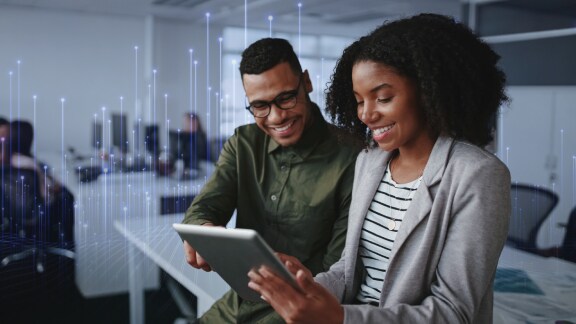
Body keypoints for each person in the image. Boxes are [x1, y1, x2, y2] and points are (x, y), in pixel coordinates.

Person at [248, 13, 511, 323]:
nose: (366, 115)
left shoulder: (477, 174)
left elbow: (454, 312)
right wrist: (307, 289)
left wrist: (340, 318)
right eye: (359, 101)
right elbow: (349, 269)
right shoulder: (369, 161)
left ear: (428, 91)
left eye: (383, 97)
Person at [181, 38, 359, 323]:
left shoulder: (352, 157)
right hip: (239, 302)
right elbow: (204, 208)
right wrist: (202, 229)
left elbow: (339, 273)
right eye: (260, 106)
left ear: (307, 82)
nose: (276, 117)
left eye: (286, 98)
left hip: (295, 311)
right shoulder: (243, 143)